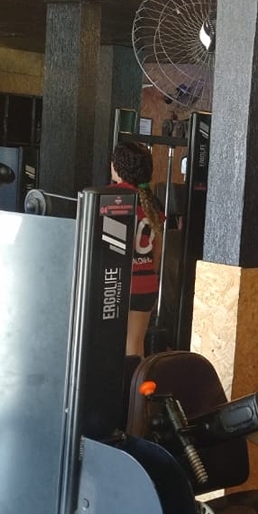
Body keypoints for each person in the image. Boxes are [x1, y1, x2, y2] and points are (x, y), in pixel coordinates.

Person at [109, 141, 164, 357]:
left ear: (117, 166)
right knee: (134, 347)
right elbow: (157, 252)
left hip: (114, 284)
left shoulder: (109, 197)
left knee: (107, 344)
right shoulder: (153, 203)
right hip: (145, 284)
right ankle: (136, 381)